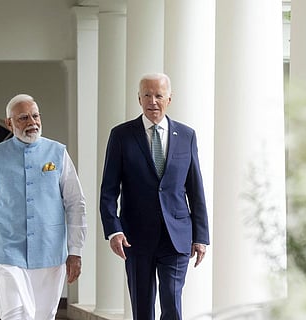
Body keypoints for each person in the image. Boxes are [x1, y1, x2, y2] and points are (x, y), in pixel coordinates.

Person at [100, 73, 210, 320]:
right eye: (147, 95)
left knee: (172, 305)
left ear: (169, 99)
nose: (153, 101)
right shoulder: (121, 135)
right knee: (143, 308)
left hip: (177, 236)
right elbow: (108, 190)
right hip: (135, 238)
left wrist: (201, 236)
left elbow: (195, 188)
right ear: (139, 98)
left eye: (159, 95)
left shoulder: (187, 135)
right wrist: (114, 230)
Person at [0, 94, 87, 320]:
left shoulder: (58, 153)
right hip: (7, 251)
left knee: (44, 316)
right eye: (23, 118)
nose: (32, 123)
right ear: (9, 123)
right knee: (14, 315)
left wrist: (76, 251)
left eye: (35, 116)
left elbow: (75, 203)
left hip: (50, 250)